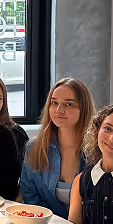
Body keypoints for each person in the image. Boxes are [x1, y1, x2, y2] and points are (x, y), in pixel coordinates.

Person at [20, 78, 95, 216]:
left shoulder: (98, 151)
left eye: (68, 104)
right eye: (54, 103)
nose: (59, 110)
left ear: (83, 108)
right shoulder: (34, 148)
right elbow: (30, 196)